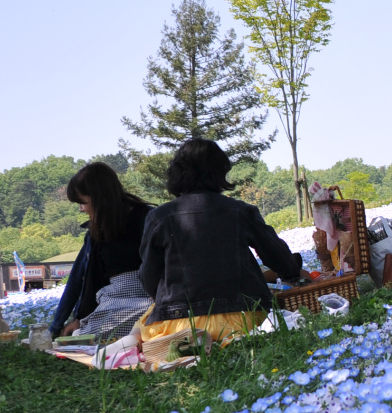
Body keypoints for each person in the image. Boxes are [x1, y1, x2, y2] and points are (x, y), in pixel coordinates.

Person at [137, 139, 304, 344]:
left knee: (141, 326)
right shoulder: (241, 211)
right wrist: (292, 273)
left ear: (177, 173)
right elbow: (279, 258)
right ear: (219, 172)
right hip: (244, 319)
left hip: (181, 324)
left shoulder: (158, 217)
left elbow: (148, 278)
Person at [49, 162, 153, 338]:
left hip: (148, 298)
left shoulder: (147, 218)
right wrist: (77, 319)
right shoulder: (96, 231)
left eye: (83, 202)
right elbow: (86, 279)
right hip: (113, 302)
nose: (81, 209)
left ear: (100, 197)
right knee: (82, 335)